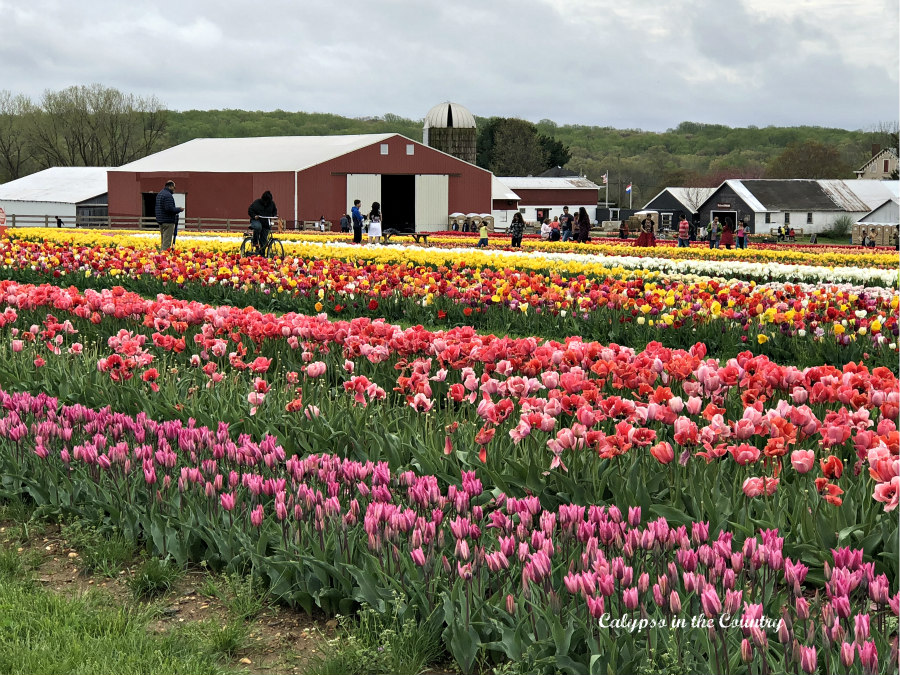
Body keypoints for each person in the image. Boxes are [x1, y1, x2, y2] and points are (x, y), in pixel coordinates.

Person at [155, 180, 184, 251]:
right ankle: (164, 258)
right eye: (174, 187)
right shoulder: (168, 195)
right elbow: (169, 208)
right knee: (167, 243)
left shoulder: (160, 194)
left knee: (163, 241)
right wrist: (179, 209)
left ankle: (161, 256)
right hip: (167, 221)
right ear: (170, 186)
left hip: (161, 220)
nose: (174, 189)